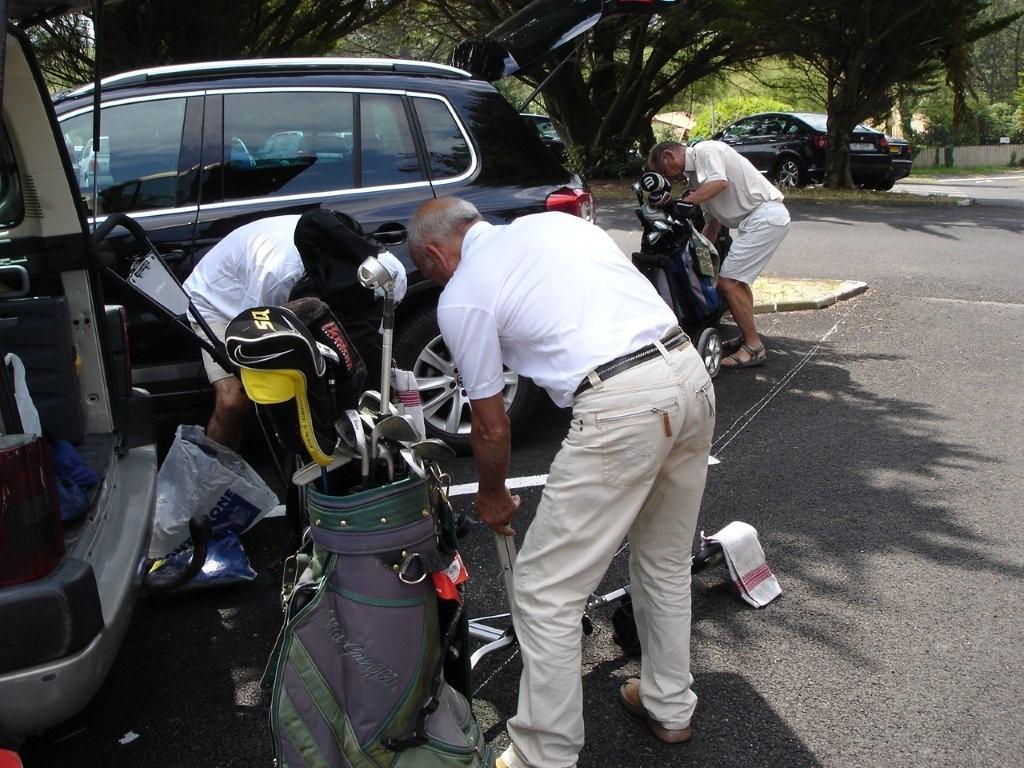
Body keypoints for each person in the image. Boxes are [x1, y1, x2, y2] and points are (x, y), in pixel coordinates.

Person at [407, 198, 716, 768]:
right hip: (689, 373)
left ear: (433, 253)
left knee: (545, 591)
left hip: (622, 404)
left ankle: (542, 753)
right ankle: (669, 705)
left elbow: (491, 422)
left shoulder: (463, 292)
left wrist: (493, 493)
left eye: (425, 270)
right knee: (665, 562)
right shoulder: (555, 225)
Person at [183, 213, 405, 449]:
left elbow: (376, 340)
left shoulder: (387, 271)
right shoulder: (277, 272)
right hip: (220, 303)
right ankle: (213, 474)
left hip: (287, 288)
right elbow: (253, 333)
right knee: (233, 400)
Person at [648, 139, 791, 368]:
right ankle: (747, 336)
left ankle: (754, 348)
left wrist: (685, 202)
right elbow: (713, 219)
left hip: (765, 217)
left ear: (668, 156)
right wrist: (700, 250)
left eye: (662, 170)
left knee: (727, 283)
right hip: (756, 221)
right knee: (738, 283)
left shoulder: (705, 150)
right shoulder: (696, 178)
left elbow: (719, 183)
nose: (667, 178)